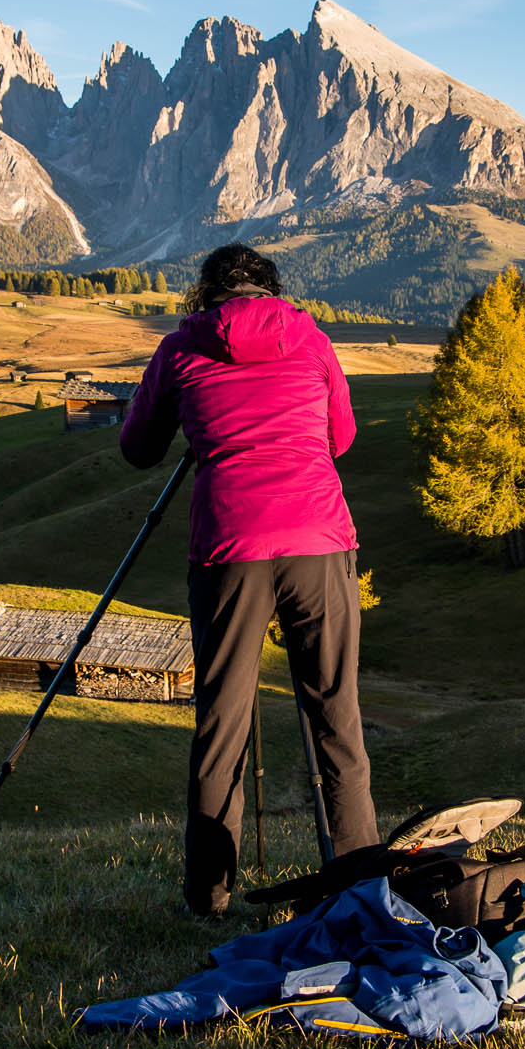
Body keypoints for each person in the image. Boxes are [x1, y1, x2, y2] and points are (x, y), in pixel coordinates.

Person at [120, 244, 380, 916]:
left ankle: (209, 894)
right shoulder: (314, 340)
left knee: (222, 725)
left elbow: (138, 447)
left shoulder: (182, 349)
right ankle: (361, 884)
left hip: (231, 546)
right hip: (320, 541)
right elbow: (341, 437)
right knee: (335, 718)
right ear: (273, 290)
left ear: (206, 294)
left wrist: (200, 421)